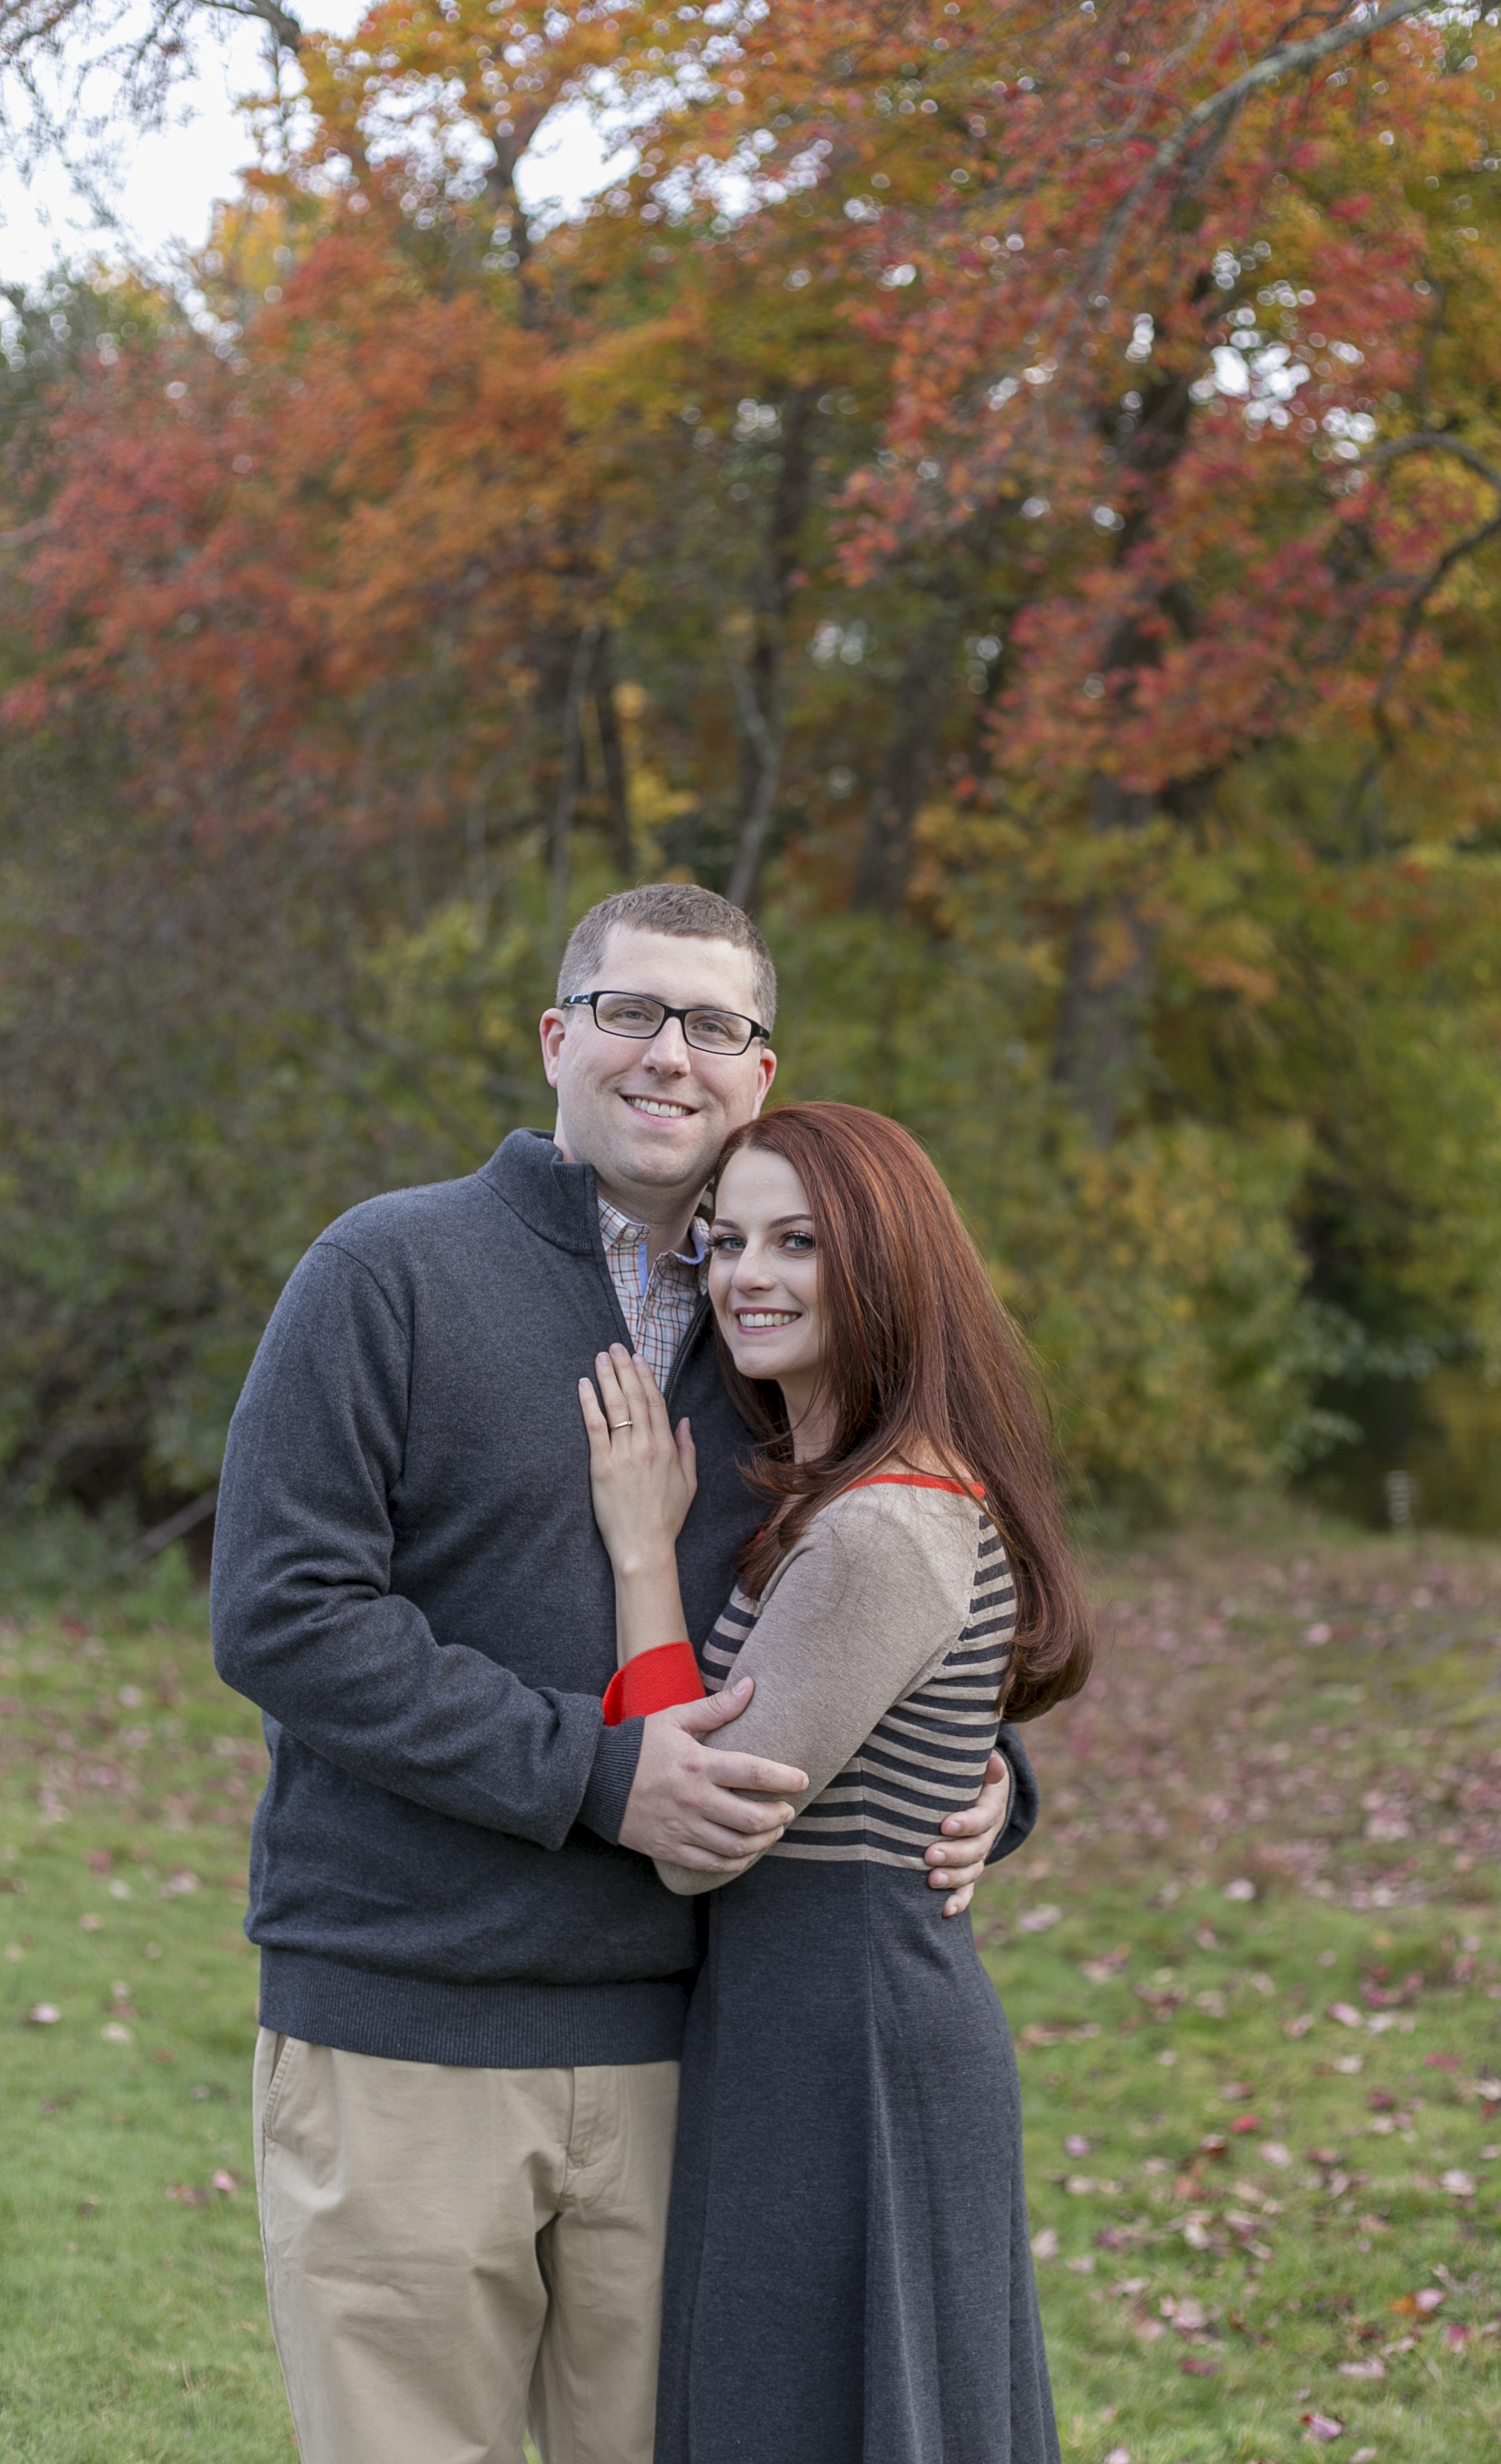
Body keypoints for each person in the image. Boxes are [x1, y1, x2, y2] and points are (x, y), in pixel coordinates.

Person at [211, 883, 1038, 2464]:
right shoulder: (386, 1270)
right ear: (557, 1038)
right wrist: (597, 1773)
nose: (672, 1054)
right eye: (633, 1012)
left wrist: (981, 1785)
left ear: (762, 1072)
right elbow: (285, 1614)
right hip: (410, 2024)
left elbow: (898, 1570)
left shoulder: (781, 1324)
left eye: (715, 1024)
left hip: (693, 2060)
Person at [577, 1099, 1096, 2464]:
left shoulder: (878, 1530)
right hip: (807, 2019)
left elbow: (699, 1836)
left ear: (881, 1263)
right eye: (728, 1242)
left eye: (798, 1242)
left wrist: (642, 1555)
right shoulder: (845, 1498)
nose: (750, 1276)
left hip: (849, 2039)